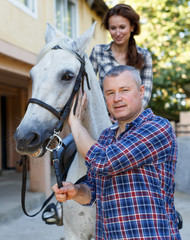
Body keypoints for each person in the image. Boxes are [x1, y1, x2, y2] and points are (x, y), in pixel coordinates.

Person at [52, 65, 181, 239]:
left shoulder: (157, 127)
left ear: (141, 91)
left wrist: (75, 122)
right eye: (110, 93)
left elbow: (104, 162)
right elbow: (94, 191)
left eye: (124, 90)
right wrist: (76, 191)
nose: (117, 98)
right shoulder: (106, 136)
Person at [90, 3, 153, 108]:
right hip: (104, 117)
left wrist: (129, 114)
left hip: (133, 118)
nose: (118, 33)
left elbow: (145, 93)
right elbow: (89, 87)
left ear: (132, 27)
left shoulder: (144, 56)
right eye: (113, 28)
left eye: (122, 27)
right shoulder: (98, 52)